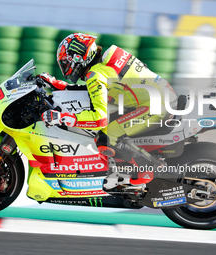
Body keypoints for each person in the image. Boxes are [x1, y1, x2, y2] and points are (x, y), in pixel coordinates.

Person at [39, 33, 178, 184]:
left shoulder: (95, 74)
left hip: (156, 106)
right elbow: (96, 90)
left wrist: (63, 117)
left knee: (107, 136)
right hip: (163, 95)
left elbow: (99, 119)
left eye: (67, 63)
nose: (66, 68)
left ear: (79, 58)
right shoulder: (108, 58)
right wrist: (58, 85)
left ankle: (152, 168)